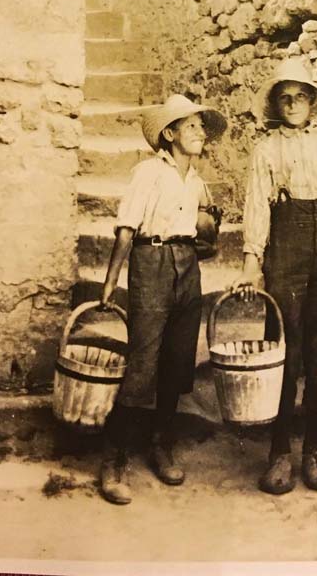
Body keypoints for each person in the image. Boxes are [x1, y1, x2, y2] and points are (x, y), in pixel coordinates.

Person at [235, 58, 317, 496]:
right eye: (285, 98)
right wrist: (253, 260)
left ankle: (314, 449)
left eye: (300, 96)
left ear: (312, 102)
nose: (293, 104)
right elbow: (256, 205)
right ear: (276, 104)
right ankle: (278, 453)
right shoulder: (266, 149)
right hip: (286, 245)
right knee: (284, 349)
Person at [98, 93, 227, 505]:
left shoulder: (197, 181)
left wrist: (208, 229)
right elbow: (126, 228)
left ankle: (161, 443)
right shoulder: (148, 172)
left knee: (177, 359)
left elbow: (204, 238)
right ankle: (114, 460)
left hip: (187, 265)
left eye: (200, 126)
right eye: (189, 126)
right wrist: (111, 278)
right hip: (150, 260)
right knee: (143, 362)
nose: (198, 132)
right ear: (169, 134)